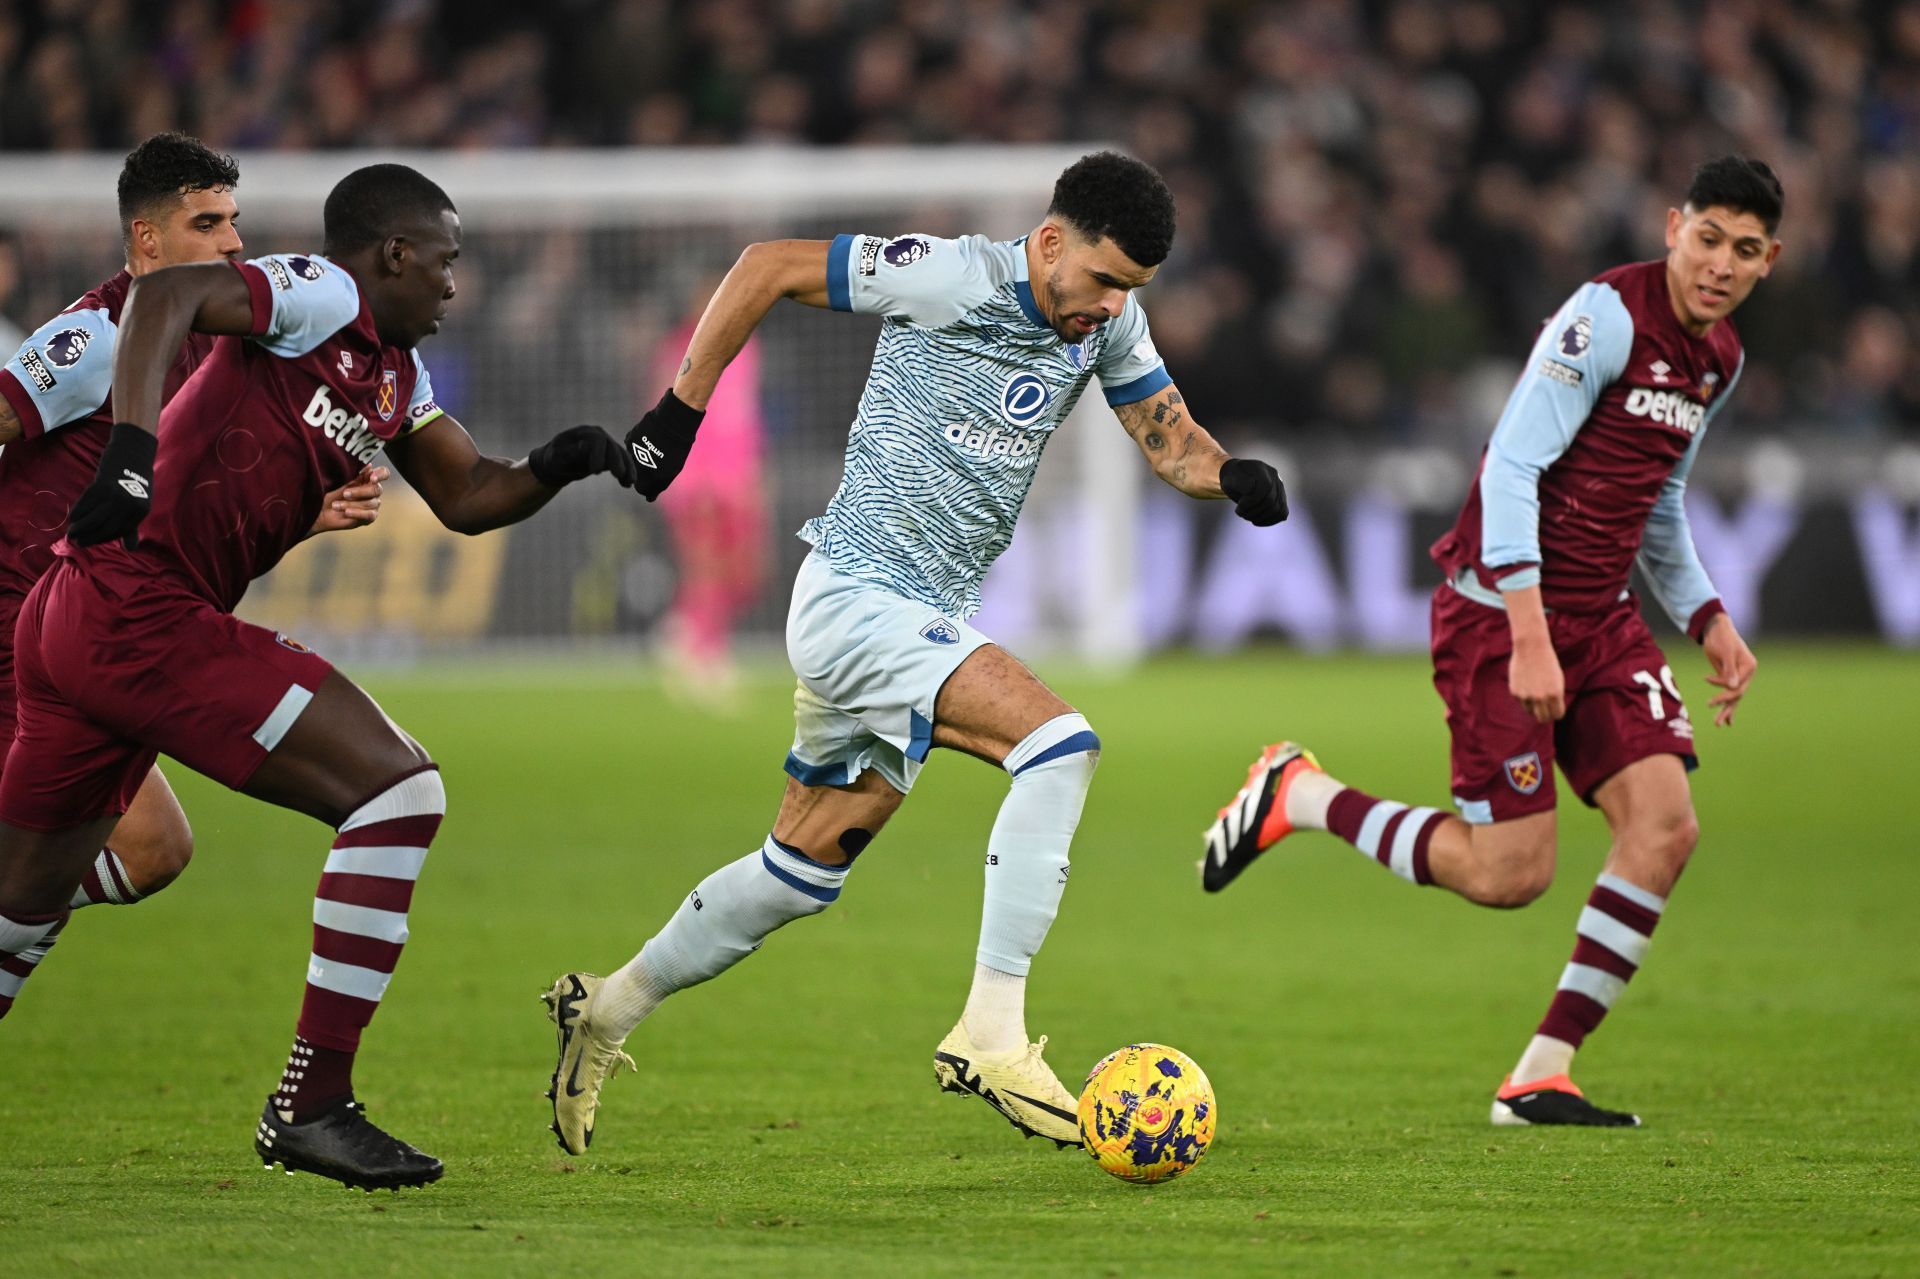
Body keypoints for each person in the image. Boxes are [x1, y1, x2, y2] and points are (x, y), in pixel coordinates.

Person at [543, 151, 1289, 1155]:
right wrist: (680, 409)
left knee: (800, 872)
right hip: (859, 596)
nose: (1113, 306)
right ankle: (992, 1030)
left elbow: (1167, 438)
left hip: (914, 612)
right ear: (1053, 242)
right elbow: (767, 264)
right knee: (1060, 746)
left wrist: (1228, 472)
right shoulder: (948, 274)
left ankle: (610, 1003)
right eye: (1105, 280)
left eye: (1133, 291)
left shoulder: (1109, 324)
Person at [0, 163, 640, 1190]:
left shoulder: (394, 376)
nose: (453, 283)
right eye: (446, 259)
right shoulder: (320, 294)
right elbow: (164, 298)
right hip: (137, 609)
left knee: (19, 911)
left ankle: (312, 1102)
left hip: (80, 618)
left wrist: (562, 463)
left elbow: (468, 494)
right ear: (393, 254)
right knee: (399, 790)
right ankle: (311, 1102)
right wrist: (127, 452)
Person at [1200, 156, 1781, 1128]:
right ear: (1675, 225)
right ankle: (1299, 793)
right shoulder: (1605, 316)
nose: (1720, 264)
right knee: (1510, 873)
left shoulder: (1720, 360)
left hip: (1602, 622)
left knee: (1666, 827)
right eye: (1709, 237)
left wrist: (1710, 617)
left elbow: (1660, 500)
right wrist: (1528, 633)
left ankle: (1539, 1074)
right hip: (1498, 613)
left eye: (1746, 250)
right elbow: (1510, 462)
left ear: (1771, 261)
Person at [0, 134, 385, 925]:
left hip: (91, 632)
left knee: (153, 852)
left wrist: (306, 518)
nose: (234, 240)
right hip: (13, 626)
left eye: (233, 221)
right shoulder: (96, 339)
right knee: (101, 856)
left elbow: (179, 518)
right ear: (147, 239)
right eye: (207, 223)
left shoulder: (210, 342)